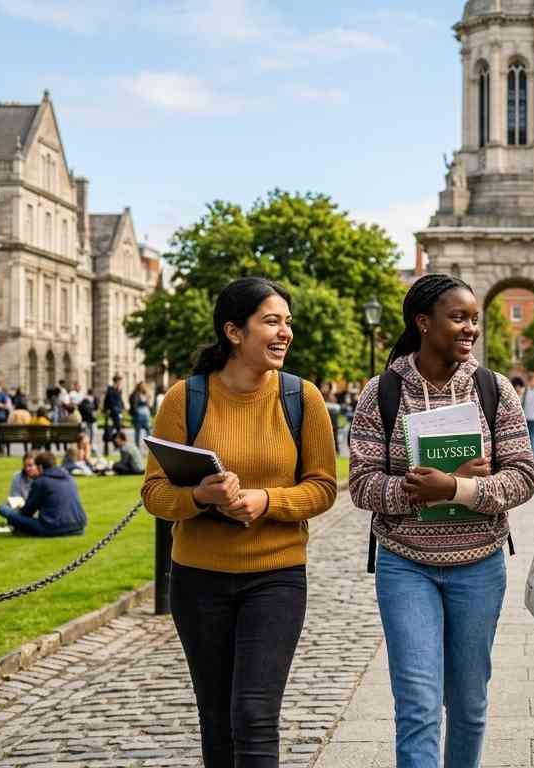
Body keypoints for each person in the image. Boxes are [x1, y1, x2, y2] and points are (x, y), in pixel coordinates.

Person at [143, 277, 337, 768]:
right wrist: (199, 497)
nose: (284, 332)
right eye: (271, 321)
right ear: (234, 331)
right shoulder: (184, 399)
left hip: (275, 578)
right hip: (198, 580)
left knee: (253, 714)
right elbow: (154, 493)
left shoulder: (302, 398)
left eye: (287, 322)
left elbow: (323, 487)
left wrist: (266, 501)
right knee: (215, 717)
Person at [348, 274, 534, 768]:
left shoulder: (495, 390)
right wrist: (416, 490)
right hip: (405, 565)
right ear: (423, 322)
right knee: (417, 706)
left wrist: (455, 488)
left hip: (479, 565)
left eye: (474, 318)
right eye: (458, 317)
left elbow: (522, 479)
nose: (469, 328)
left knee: (470, 707)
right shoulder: (381, 392)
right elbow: (362, 485)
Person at [0, 451, 87, 536]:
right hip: (78, 526)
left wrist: (16, 517)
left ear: (40, 467)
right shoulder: (69, 478)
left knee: (3, 508)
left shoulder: (41, 482)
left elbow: (27, 512)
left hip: (52, 527)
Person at [103, 374, 125, 444]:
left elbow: (120, 401)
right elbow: (108, 401)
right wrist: (106, 410)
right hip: (113, 413)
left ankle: (118, 443)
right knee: (109, 430)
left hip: (117, 412)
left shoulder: (119, 390)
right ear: (116, 381)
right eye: (120, 381)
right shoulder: (110, 390)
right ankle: (111, 444)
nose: (120, 383)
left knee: (119, 429)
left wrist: (122, 408)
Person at [130, 382, 152, 448]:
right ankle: (137, 446)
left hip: (145, 415)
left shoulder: (145, 394)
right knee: (138, 431)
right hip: (139, 415)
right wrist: (136, 412)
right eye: (143, 386)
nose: (144, 387)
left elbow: (148, 404)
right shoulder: (136, 394)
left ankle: (150, 445)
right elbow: (134, 405)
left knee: (148, 430)